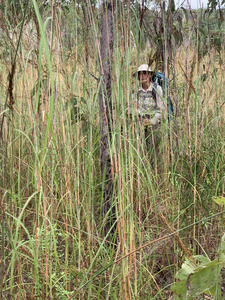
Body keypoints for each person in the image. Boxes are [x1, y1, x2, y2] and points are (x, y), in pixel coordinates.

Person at [134, 64, 164, 154]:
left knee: (154, 152)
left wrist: (151, 121)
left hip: (154, 127)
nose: (143, 76)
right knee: (141, 151)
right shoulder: (136, 91)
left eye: (145, 73)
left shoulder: (157, 89)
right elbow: (133, 107)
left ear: (150, 75)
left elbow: (161, 110)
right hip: (140, 126)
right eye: (140, 74)